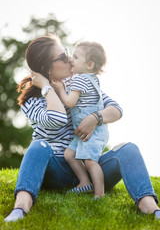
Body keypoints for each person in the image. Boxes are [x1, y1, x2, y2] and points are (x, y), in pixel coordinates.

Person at [4, 34, 160, 222]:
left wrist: (95, 117)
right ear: (46, 68)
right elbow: (58, 118)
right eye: (62, 57)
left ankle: (149, 205)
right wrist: (47, 87)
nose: (70, 60)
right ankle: (21, 206)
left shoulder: (79, 82)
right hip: (58, 170)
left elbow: (116, 109)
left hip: (90, 166)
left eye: (67, 53)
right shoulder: (31, 101)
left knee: (129, 149)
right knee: (38, 147)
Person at [52, 41, 109, 198]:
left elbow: (70, 102)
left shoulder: (80, 79)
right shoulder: (92, 78)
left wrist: (60, 89)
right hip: (85, 131)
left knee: (90, 162)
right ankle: (85, 182)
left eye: (76, 57)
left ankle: (99, 194)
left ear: (90, 64)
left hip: (92, 131)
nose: (71, 59)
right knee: (69, 154)